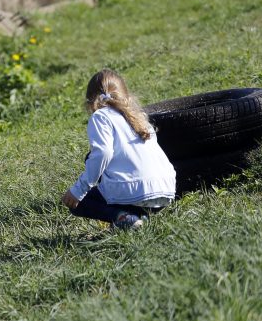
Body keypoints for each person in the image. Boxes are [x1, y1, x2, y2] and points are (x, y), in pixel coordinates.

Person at [61, 69, 176, 230]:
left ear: (89, 103)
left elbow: (103, 153)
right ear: (126, 97)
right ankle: (137, 217)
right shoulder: (138, 117)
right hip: (166, 189)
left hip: (133, 190)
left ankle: (121, 217)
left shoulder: (100, 116)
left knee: (78, 201)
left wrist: (79, 190)